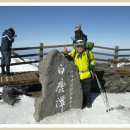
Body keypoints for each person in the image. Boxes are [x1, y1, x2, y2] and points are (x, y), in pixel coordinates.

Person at [64, 40, 95, 109]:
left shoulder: (88, 53)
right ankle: (82, 102)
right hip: (78, 75)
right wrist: (65, 53)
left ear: (84, 46)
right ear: (76, 47)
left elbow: (92, 60)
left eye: (81, 46)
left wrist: (92, 65)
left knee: (88, 89)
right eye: (78, 46)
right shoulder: (74, 52)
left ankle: (88, 101)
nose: (80, 48)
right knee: (80, 89)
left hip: (87, 74)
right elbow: (68, 58)